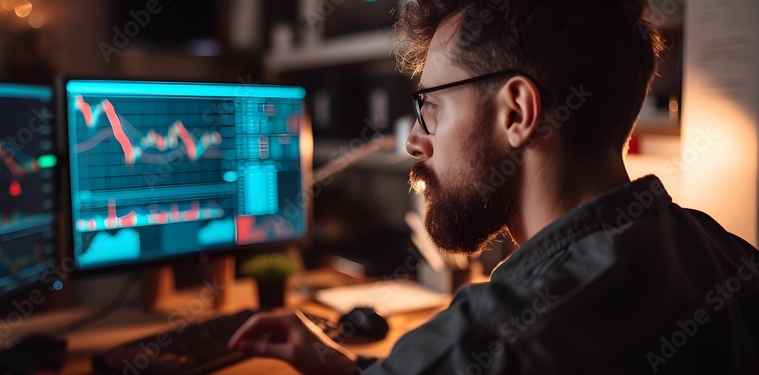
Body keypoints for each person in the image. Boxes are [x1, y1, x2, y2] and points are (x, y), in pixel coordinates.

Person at [228, 0, 759, 374]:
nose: (414, 141)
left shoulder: (499, 337)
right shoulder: (728, 256)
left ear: (517, 112)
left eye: (430, 106)